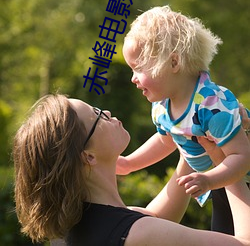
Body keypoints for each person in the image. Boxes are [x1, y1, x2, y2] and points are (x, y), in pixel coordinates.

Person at [13, 94, 250, 246]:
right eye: (97, 116)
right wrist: (226, 161)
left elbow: (157, 217)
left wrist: (190, 133)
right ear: (88, 156)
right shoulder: (138, 234)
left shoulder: (72, 230)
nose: (106, 112)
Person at [119, 5, 250, 234]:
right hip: (220, 184)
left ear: (173, 63)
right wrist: (130, 163)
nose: (133, 79)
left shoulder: (211, 105)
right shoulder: (162, 106)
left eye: (138, 68)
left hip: (239, 181)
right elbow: (166, 141)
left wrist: (209, 180)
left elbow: (242, 156)